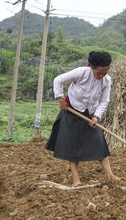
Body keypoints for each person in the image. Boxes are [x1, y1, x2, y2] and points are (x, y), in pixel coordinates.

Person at [45, 51, 121, 186]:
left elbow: (104, 101)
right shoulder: (81, 72)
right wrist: (60, 99)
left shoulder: (106, 80)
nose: (102, 75)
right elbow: (58, 80)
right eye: (99, 73)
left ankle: (110, 175)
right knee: (73, 146)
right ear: (92, 67)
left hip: (90, 114)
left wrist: (96, 116)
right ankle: (76, 180)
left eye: (105, 72)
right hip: (72, 112)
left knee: (99, 143)